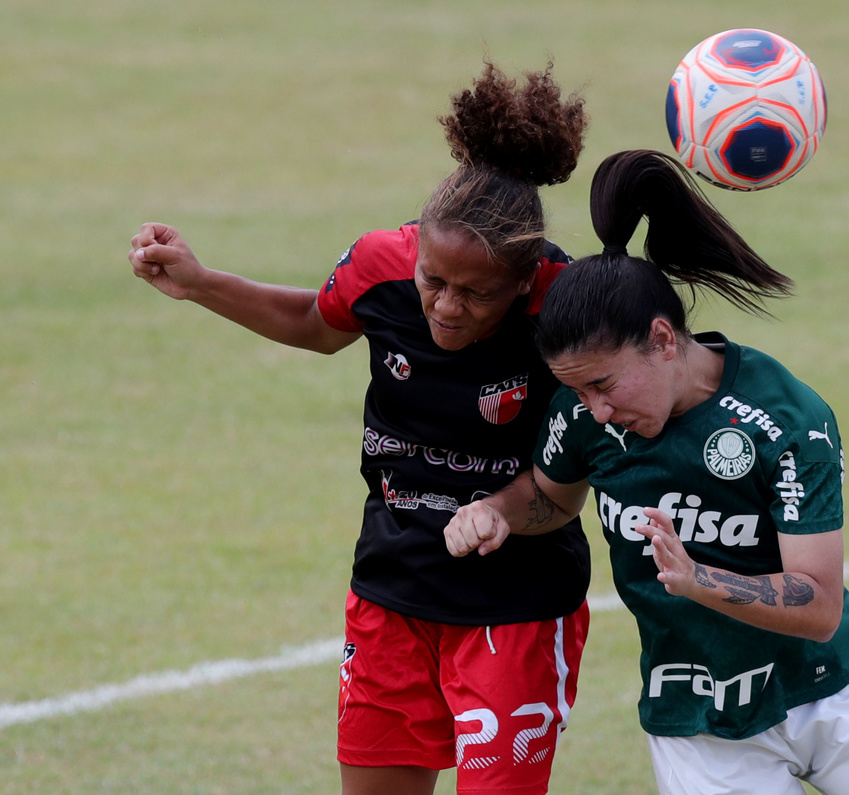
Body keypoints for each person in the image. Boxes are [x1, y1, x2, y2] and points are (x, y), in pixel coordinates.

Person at [444, 149, 849, 795]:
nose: (597, 409)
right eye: (579, 391)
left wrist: (698, 579)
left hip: (836, 690)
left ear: (663, 339)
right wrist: (495, 511)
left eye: (604, 384)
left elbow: (818, 603)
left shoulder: (784, 419)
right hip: (702, 723)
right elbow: (550, 497)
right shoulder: (585, 416)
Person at [128, 63, 592, 795]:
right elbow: (315, 323)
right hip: (391, 588)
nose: (446, 306)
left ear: (523, 278)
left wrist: (500, 511)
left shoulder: (566, 307)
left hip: (515, 608)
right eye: (433, 280)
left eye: (476, 294)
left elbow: (566, 490)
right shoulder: (380, 264)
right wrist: (201, 282)